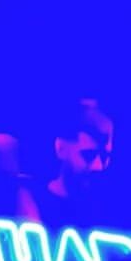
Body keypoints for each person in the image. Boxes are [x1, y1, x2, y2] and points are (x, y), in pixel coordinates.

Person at [32, 98, 114, 235]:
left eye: (105, 157)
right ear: (61, 148)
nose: (98, 166)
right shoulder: (33, 202)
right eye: (89, 155)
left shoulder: (109, 211)